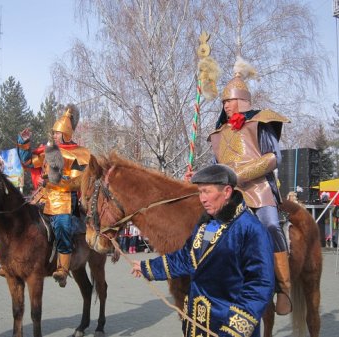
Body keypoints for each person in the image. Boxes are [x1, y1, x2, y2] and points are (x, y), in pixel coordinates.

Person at [132, 165, 275, 337]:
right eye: (200, 192)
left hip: (227, 327)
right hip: (197, 323)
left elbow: (259, 284)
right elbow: (186, 259)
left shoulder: (251, 229)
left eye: (207, 191)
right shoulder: (204, 224)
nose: (202, 199)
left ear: (227, 191)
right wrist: (147, 267)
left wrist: (234, 329)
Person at [205, 56, 292, 315]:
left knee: (271, 226)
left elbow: (274, 157)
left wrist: (240, 174)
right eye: (223, 101)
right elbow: (215, 166)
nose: (225, 105)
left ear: (242, 100)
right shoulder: (218, 133)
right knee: (207, 231)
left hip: (258, 190)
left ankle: (284, 288)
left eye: (229, 100)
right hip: (229, 196)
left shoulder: (260, 122)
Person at [14, 104, 90, 287]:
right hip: (42, 196)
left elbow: (78, 181)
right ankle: (13, 263)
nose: (54, 136)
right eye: (54, 133)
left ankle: (62, 269)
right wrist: (23, 142)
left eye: (57, 133)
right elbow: (28, 162)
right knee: (19, 220)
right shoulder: (48, 151)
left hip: (64, 199)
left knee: (63, 227)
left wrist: (50, 180)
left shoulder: (80, 154)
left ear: (66, 133)